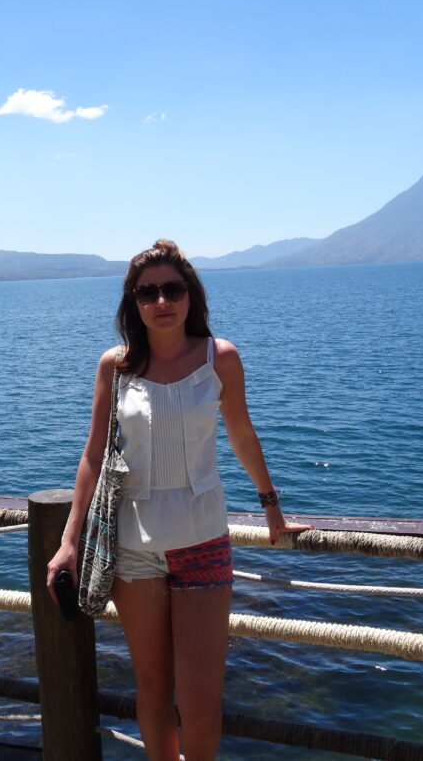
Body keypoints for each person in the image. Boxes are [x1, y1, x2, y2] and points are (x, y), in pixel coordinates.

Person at [46, 239, 311, 761]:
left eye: (172, 289)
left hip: (204, 540)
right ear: (133, 303)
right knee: (153, 691)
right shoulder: (114, 367)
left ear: (191, 296)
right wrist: (69, 541)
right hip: (135, 549)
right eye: (148, 292)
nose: (161, 301)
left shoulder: (221, 358)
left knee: (201, 700)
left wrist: (271, 507)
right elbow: (93, 457)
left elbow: (241, 434)